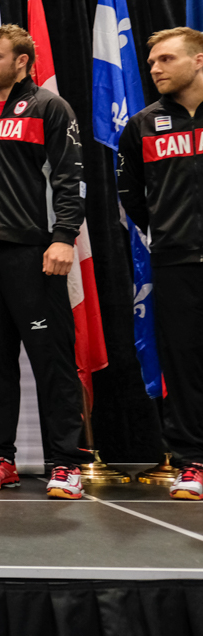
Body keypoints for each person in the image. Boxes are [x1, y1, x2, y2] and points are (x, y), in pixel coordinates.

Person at [0, 25, 87, 500]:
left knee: (53, 363)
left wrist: (64, 237)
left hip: (36, 254)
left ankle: (66, 463)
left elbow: (71, 179)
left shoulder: (50, 107)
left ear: (22, 61)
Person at [117, 26, 203, 501]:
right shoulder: (143, 125)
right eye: (151, 62)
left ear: (198, 60)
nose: (154, 68)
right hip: (174, 261)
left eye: (166, 59)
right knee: (184, 364)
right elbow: (131, 193)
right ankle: (193, 463)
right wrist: (166, 230)